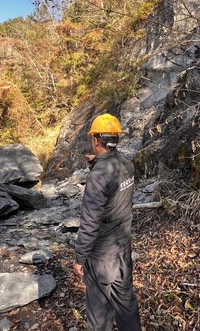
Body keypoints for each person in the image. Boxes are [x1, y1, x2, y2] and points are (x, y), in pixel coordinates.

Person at [73, 113, 142, 331]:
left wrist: (79, 257)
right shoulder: (127, 165)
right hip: (123, 248)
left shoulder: (98, 176)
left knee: (99, 314)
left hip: (102, 257)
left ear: (95, 140)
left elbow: (90, 223)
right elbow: (114, 189)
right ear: (116, 140)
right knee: (125, 304)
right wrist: (97, 164)